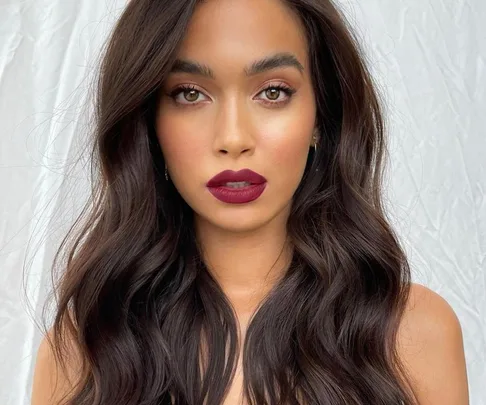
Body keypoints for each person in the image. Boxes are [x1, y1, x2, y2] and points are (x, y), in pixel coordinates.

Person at [31, 0, 469, 404]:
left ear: (322, 116)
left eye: (273, 92)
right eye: (189, 93)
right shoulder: (83, 350)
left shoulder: (412, 334)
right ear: (148, 124)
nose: (233, 138)